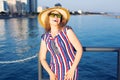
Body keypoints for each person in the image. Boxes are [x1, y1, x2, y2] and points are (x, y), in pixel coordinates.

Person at [38, 6, 83, 80]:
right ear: (48, 18)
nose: (56, 17)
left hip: (69, 71)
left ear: (60, 19)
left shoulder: (67, 31)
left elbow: (79, 49)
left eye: (58, 15)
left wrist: (72, 70)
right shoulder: (45, 37)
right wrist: (50, 73)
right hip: (54, 72)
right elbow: (42, 58)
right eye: (53, 15)